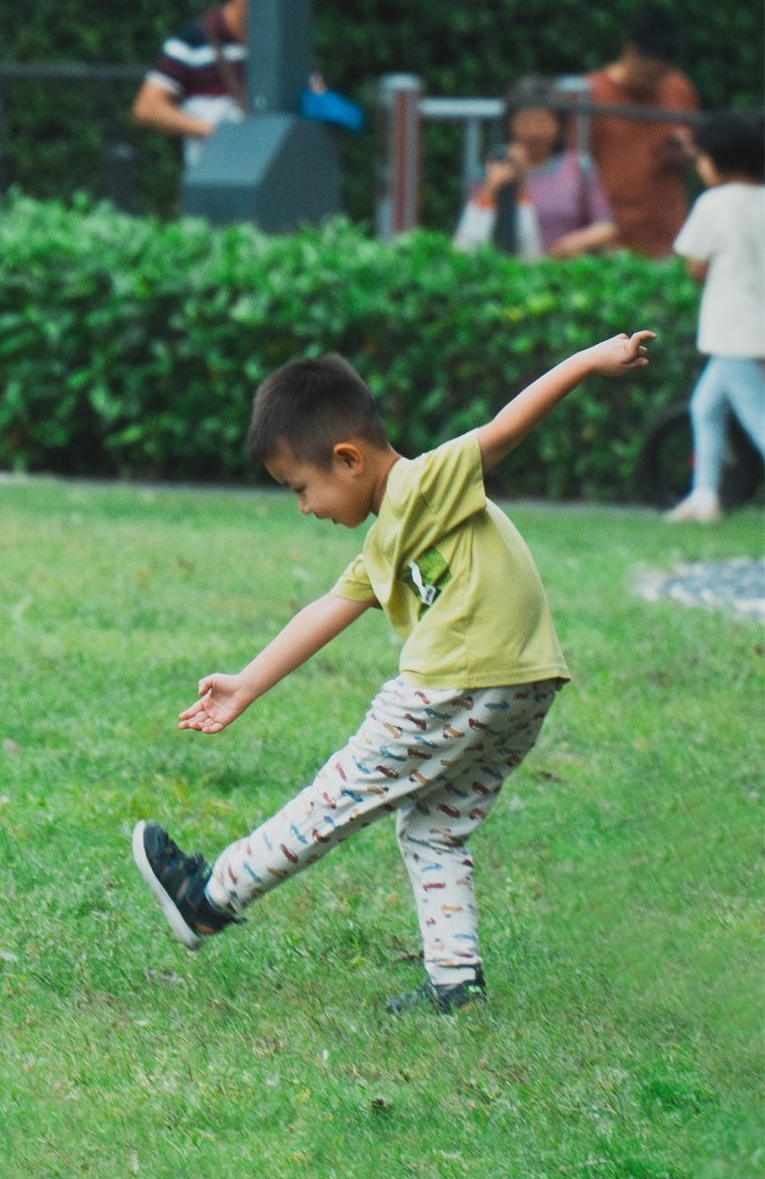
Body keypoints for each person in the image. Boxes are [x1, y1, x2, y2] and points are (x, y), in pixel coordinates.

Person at [130, 333, 655, 1013]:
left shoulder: (423, 483)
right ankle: (453, 982)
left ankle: (209, 897)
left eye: (300, 488)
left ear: (346, 459)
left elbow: (502, 429)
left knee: (338, 794)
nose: (303, 507)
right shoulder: (386, 539)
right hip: (522, 686)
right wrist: (248, 682)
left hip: (454, 683)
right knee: (433, 827)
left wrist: (587, 361)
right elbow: (328, 608)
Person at [665, 109, 765, 524]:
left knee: (757, 416)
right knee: (706, 405)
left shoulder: (714, 203)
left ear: (718, 160)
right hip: (754, 329)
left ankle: (704, 495)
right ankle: (704, 496)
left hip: (731, 331)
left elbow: (694, 264)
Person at [453, 76, 617, 261]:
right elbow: (470, 232)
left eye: (543, 122)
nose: (534, 131)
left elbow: (606, 226)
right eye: (525, 122)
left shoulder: (579, 167)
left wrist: (575, 243)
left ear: (559, 125)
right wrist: (492, 187)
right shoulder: (491, 168)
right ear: (510, 125)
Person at [583, 10, 699, 259]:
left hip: (668, 233)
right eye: (648, 73)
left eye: (662, 75)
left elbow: (698, 150)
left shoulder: (678, 89)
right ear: (629, 52)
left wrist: (686, 154)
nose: (654, 83)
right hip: (610, 235)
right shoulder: (591, 93)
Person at [132, 0, 250, 176]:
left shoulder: (285, 45)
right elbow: (147, 107)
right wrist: (216, 132)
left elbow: (314, 95)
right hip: (212, 174)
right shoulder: (191, 40)